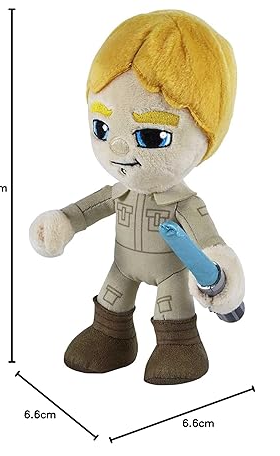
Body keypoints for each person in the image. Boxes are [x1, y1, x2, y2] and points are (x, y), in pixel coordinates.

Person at [29, 10, 245, 384]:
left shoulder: (185, 205)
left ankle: (178, 345)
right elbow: (86, 210)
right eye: (101, 127)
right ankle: (112, 337)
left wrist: (222, 276)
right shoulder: (121, 191)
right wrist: (62, 223)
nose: (117, 146)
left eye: (151, 136)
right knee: (111, 300)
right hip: (122, 266)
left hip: (171, 272)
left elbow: (211, 243)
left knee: (172, 310)